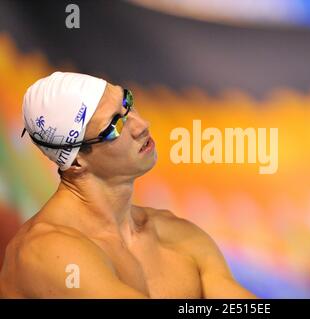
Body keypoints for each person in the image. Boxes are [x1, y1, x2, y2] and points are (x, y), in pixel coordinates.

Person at [0, 72, 256, 299]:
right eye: (114, 125)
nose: (142, 125)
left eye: (127, 103)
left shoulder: (177, 235)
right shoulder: (46, 252)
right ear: (76, 160)